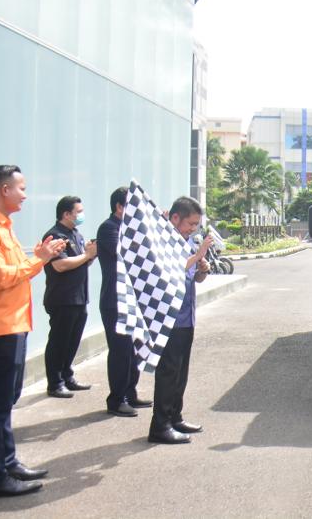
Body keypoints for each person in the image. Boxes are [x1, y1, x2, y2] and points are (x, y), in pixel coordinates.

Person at [0, 165, 66, 497]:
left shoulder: (4, 227)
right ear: (4, 189)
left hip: (12, 327)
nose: (25, 194)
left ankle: (7, 463)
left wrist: (37, 256)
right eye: (21, 188)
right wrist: (41, 259)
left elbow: (13, 271)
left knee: (4, 403)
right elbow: (1, 277)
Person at [148, 196, 213, 445]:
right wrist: (198, 256)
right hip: (169, 319)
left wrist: (202, 268)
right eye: (190, 224)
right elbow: (170, 271)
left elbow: (193, 278)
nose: (193, 229)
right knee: (168, 372)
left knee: (180, 373)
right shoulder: (162, 242)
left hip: (187, 317)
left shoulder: (187, 242)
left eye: (196, 225)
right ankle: (160, 425)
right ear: (175, 218)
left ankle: (175, 416)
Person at [97, 187, 151, 417]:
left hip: (132, 300)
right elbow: (127, 252)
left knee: (133, 350)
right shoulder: (109, 228)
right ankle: (116, 399)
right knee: (120, 351)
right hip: (114, 301)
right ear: (119, 207)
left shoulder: (128, 229)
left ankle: (130, 393)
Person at [41, 196, 97, 398]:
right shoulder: (55, 236)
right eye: (78, 212)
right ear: (66, 214)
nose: (81, 215)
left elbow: (81, 262)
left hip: (79, 296)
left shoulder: (76, 234)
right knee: (59, 340)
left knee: (72, 340)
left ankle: (67, 375)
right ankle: (55, 383)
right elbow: (60, 265)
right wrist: (87, 256)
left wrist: (91, 255)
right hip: (62, 298)